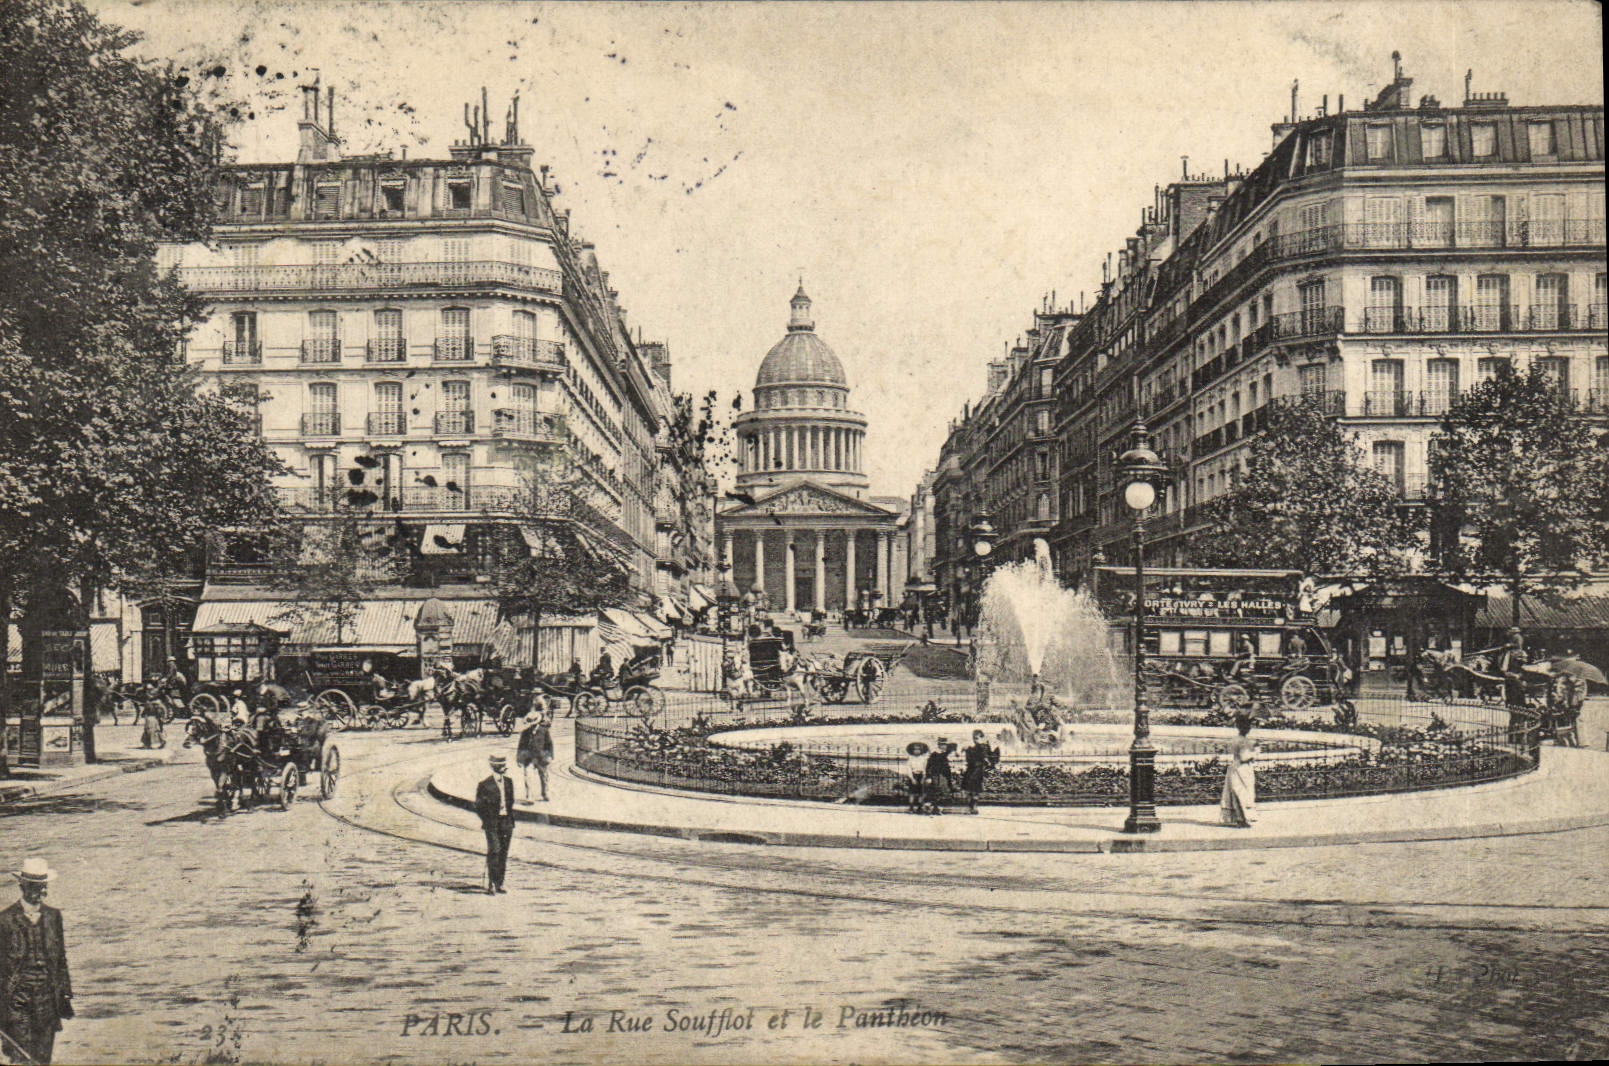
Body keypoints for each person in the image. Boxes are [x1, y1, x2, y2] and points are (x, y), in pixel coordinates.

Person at [0, 858, 73, 1065]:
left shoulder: (53, 917)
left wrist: (65, 994)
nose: (39, 891)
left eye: (42, 886)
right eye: (33, 886)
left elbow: (61, 959)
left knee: (43, 1058)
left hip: (48, 999)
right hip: (16, 1001)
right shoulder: (4, 920)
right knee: (22, 1058)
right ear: (22, 885)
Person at [474, 755, 517, 894]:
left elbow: (511, 802)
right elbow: (479, 806)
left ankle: (500, 883)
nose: (504, 767)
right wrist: (487, 819)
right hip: (492, 823)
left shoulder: (509, 782)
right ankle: (491, 883)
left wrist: (510, 819)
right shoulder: (485, 784)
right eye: (501, 765)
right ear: (495, 767)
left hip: (506, 822)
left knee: (503, 852)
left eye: (504, 764)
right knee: (494, 850)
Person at [1220, 714, 1258, 828]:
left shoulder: (1235, 739)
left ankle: (1239, 818)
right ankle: (1245, 818)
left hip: (1234, 767)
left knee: (1236, 792)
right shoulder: (1245, 741)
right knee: (1245, 793)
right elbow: (1244, 757)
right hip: (1243, 768)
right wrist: (1256, 752)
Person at [516, 705, 554, 803]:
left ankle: (545, 793)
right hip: (528, 758)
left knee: (544, 776)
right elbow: (521, 746)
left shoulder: (544, 731)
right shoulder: (525, 733)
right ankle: (529, 796)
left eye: (534, 723)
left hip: (541, 757)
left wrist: (550, 756)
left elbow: (549, 744)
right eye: (530, 723)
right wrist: (519, 759)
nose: (532, 725)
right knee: (528, 777)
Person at [960, 729, 1000, 815]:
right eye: (974, 738)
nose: (975, 740)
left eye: (977, 738)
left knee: (974, 789)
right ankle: (971, 807)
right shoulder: (977, 747)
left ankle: (973, 807)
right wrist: (966, 749)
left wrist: (967, 749)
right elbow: (970, 758)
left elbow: (985, 756)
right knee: (970, 789)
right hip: (971, 769)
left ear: (982, 737)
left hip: (977, 770)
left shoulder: (983, 747)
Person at [922, 738, 955, 815]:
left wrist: (949, 777)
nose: (944, 746)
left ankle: (938, 809)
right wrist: (928, 777)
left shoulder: (946, 755)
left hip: (943, 776)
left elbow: (947, 768)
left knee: (942, 793)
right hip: (935, 776)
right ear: (939, 745)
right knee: (934, 792)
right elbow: (929, 766)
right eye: (942, 744)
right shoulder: (934, 754)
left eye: (945, 745)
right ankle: (929, 809)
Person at [138, 681, 166, 750]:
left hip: (153, 717)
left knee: (153, 730)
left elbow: (160, 710)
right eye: (147, 690)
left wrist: (161, 717)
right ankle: (147, 743)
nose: (148, 692)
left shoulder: (156, 702)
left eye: (150, 690)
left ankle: (160, 742)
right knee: (148, 730)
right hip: (149, 716)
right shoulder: (149, 701)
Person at [903, 741, 929, 814]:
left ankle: (920, 807)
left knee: (921, 792)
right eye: (915, 749)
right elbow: (909, 769)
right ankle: (911, 807)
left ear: (921, 751)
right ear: (912, 750)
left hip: (921, 775)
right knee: (912, 792)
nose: (917, 751)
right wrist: (912, 779)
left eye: (918, 749)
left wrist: (923, 777)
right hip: (913, 775)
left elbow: (925, 768)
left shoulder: (923, 759)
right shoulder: (911, 759)